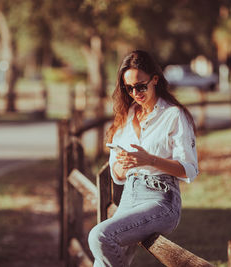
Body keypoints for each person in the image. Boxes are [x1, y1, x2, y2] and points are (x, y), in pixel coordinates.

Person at [88, 50, 199, 267]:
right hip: (130, 195)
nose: (135, 92)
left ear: (155, 79)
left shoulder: (174, 115)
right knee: (99, 264)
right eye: (129, 88)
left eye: (140, 86)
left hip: (161, 200)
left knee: (99, 236)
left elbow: (190, 170)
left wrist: (149, 160)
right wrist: (123, 163)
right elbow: (117, 176)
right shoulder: (126, 116)